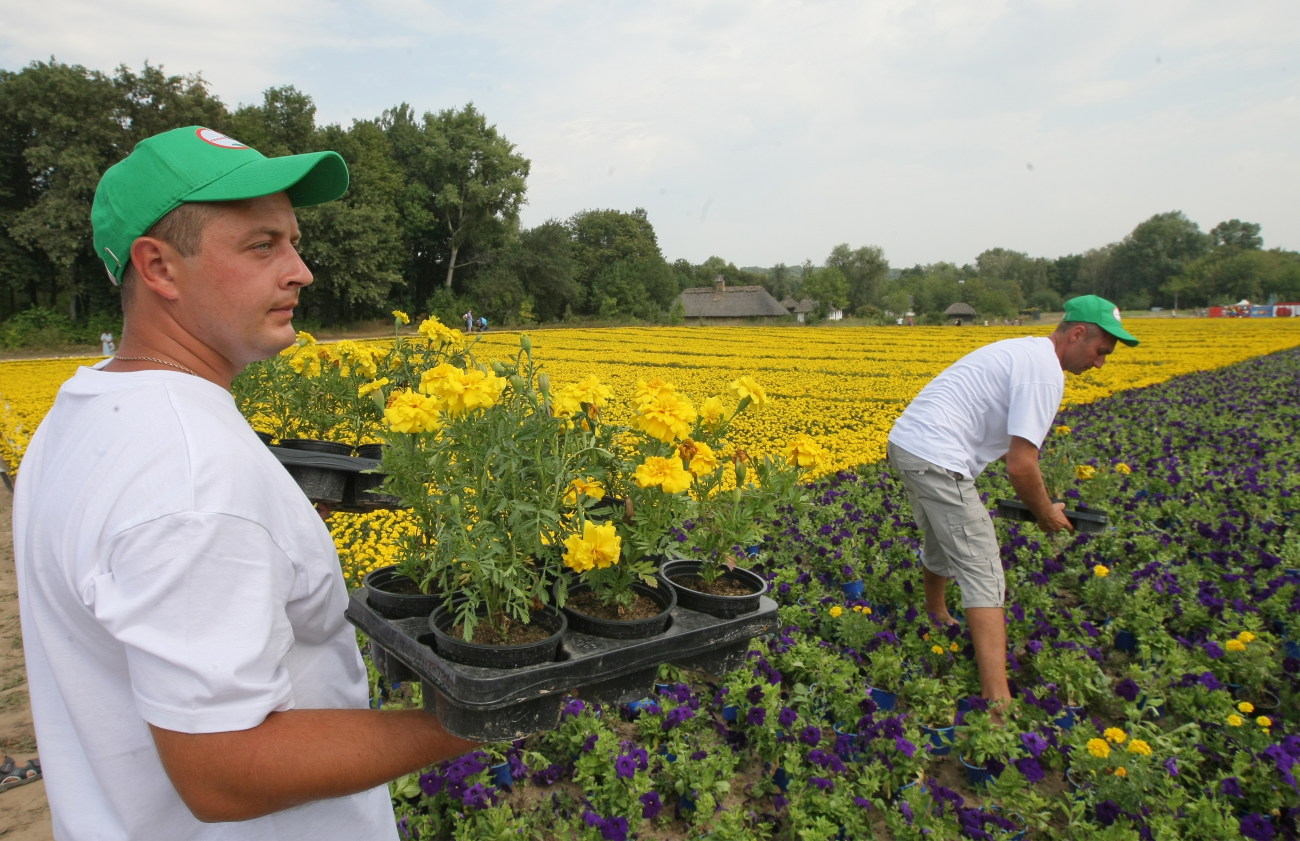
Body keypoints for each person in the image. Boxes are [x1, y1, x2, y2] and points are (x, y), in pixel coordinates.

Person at [13, 126, 474, 840]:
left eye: (292, 241)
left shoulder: (85, 409)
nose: (301, 271)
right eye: (262, 246)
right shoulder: (192, 474)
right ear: (159, 267)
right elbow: (223, 771)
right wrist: (473, 717)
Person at [886, 295, 1138, 710]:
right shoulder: (1044, 375)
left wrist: (1041, 500)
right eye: (1100, 352)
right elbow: (1021, 466)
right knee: (983, 563)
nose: (1099, 364)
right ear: (1077, 334)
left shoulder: (1026, 352)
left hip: (909, 444)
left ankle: (935, 614)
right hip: (936, 453)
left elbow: (1010, 448)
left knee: (943, 534)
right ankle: (997, 698)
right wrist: (1045, 514)